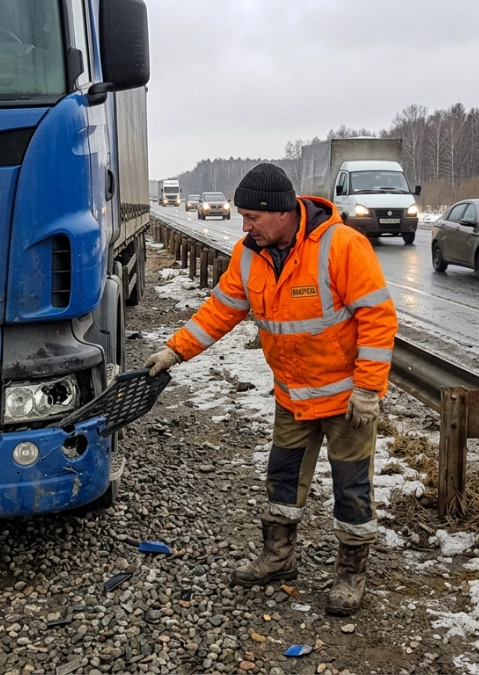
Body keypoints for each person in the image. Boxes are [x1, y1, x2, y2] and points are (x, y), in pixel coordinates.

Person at [145, 163, 398, 616]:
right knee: (281, 482)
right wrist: (174, 352)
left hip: (347, 401)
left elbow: (377, 318)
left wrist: (367, 389)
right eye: (242, 217)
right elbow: (219, 311)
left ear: (281, 212)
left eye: (251, 217)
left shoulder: (341, 246)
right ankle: (279, 558)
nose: (244, 226)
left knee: (352, 488)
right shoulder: (250, 255)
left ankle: (351, 574)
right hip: (293, 398)